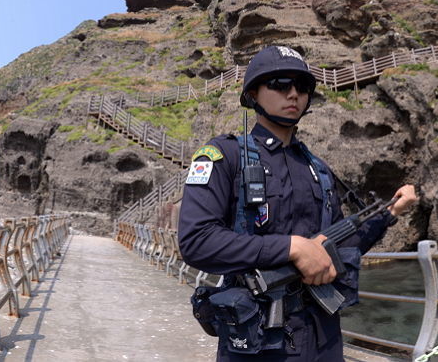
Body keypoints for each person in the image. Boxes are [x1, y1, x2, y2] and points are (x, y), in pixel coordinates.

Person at [178, 45, 417, 361]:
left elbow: (340, 245)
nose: (293, 94)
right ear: (252, 94)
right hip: (258, 339)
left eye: (302, 87)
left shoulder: (318, 169)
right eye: (279, 84)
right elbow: (197, 242)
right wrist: (292, 247)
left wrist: (390, 214)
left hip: (324, 337)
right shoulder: (225, 156)